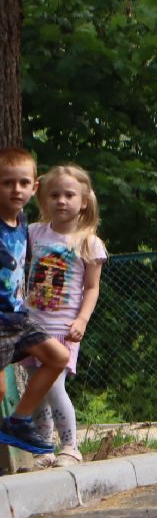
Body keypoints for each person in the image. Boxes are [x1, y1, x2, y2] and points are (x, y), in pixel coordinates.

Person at [22, 163, 108, 467]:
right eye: (54, 195)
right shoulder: (34, 233)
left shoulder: (88, 242)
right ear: (43, 200)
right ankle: (42, 448)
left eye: (69, 195)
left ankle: (71, 446)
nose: (61, 200)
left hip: (64, 329)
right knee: (37, 386)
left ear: (83, 200)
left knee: (53, 384)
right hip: (32, 327)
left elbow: (91, 288)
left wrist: (82, 320)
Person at [0, 147, 73, 455]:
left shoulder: (23, 223)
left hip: (18, 317)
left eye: (22, 183)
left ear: (34, 187)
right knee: (1, 390)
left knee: (58, 356)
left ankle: (18, 421)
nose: (16, 189)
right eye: (6, 183)